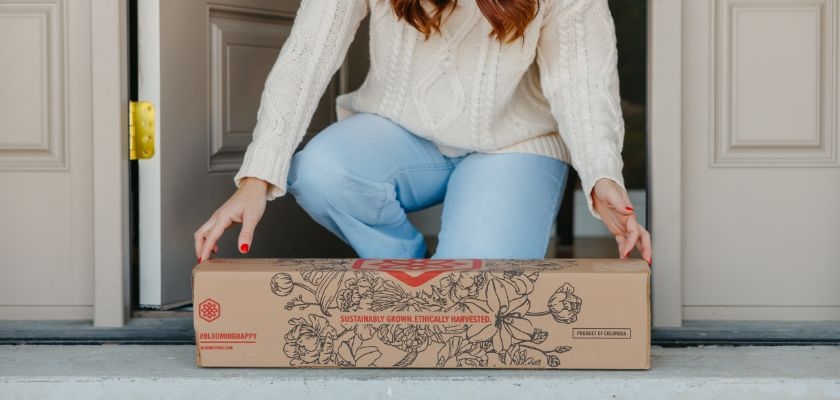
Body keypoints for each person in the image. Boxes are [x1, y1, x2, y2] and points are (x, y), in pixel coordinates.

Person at [194, 0, 652, 264]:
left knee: (471, 288)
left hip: (515, 143)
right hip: (399, 130)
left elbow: (582, 82)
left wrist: (601, 174)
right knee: (320, 171)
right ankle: (405, 274)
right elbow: (308, 55)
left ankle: (441, 276)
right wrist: (256, 178)